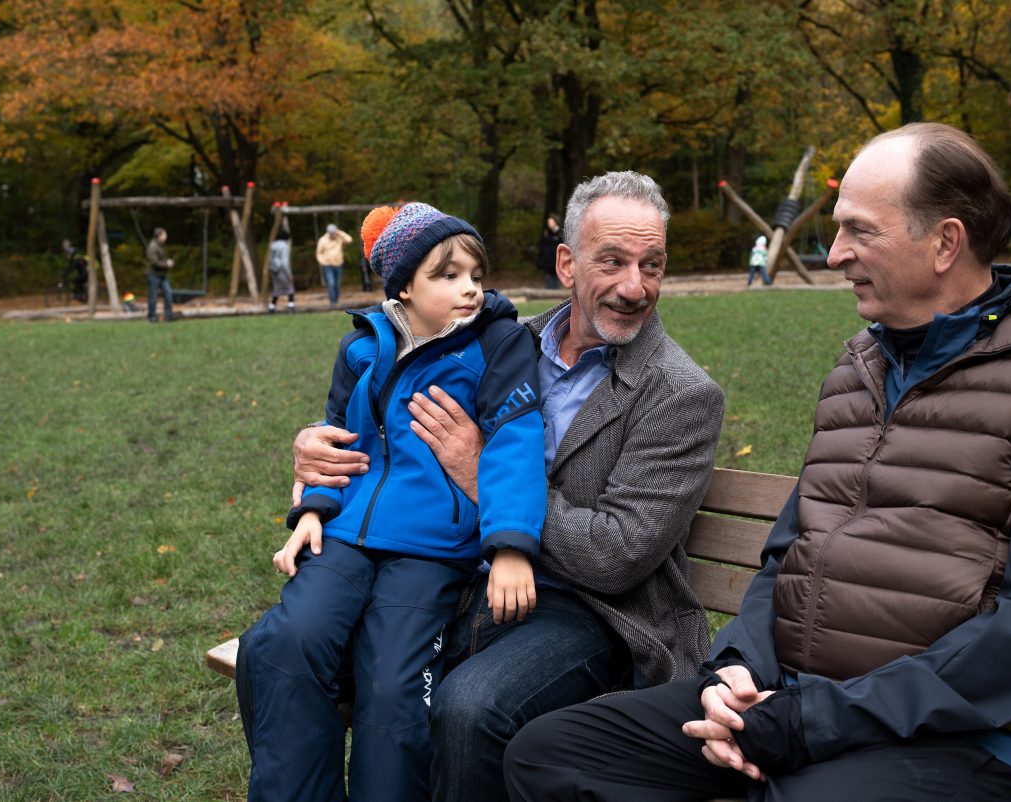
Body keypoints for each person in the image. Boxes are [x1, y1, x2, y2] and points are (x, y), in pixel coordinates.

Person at [503, 122, 1011, 802]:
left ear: (945, 242)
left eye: (860, 231)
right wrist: (738, 668)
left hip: (967, 742)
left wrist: (808, 723)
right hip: (796, 704)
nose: (836, 252)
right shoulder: (859, 368)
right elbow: (790, 554)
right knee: (553, 756)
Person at [291, 172, 726, 802]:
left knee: (469, 707)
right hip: (463, 577)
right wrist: (312, 446)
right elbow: (377, 411)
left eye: (651, 265)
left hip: (597, 614)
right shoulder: (497, 341)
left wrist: (480, 475)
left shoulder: (680, 394)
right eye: (613, 261)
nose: (635, 287)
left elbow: (616, 556)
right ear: (566, 264)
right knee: (285, 651)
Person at [236, 202, 549, 802]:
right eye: (448, 275)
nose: (470, 290)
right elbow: (335, 443)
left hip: (430, 550)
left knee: (391, 683)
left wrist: (510, 545)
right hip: (346, 537)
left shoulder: (497, 345)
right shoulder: (362, 349)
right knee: (283, 643)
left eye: (476, 275)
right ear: (404, 284)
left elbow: (514, 443)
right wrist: (311, 512)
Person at [316, 222, 353, 306]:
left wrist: (340, 232)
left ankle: (335, 301)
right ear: (329, 233)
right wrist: (322, 262)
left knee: (337, 284)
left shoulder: (339, 237)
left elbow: (349, 240)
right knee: (331, 283)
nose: (333, 235)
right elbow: (319, 253)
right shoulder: (323, 240)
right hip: (328, 265)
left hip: (338, 264)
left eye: (334, 233)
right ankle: (332, 302)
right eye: (331, 234)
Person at [145, 227, 176, 323]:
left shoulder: (161, 245)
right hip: (153, 275)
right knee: (153, 297)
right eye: (164, 234)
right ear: (159, 236)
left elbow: (161, 259)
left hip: (162, 275)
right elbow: (155, 262)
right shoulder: (152, 247)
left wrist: (167, 261)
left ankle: (168, 314)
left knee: (168, 294)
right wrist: (167, 264)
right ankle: (151, 316)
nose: (166, 236)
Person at [268, 224, 295, 313]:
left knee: (277, 288)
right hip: (281, 269)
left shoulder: (273, 245)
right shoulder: (284, 247)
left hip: (273, 269)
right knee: (290, 288)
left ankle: (271, 307)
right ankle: (291, 307)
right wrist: (289, 274)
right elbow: (285, 262)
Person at [537, 213, 562, 289]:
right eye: (548, 223)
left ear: (555, 222)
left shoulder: (560, 233)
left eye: (551, 222)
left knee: (556, 278)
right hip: (547, 262)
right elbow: (541, 245)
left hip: (557, 260)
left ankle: (556, 293)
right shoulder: (546, 233)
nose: (549, 224)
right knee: (548, 278)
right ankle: (548, 292)